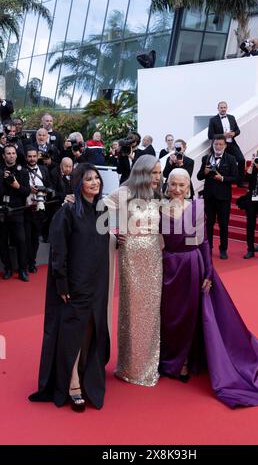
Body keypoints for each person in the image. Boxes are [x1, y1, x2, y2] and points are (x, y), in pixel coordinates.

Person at [159, 168, 258, 408]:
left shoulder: (196, 208)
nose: (177, 190)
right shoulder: (158, 209)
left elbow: (202, 242)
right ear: (167, 185)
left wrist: (209, 271)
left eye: (182, 185)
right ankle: (171, 358)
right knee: (171, 315)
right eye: (173, 184)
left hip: (192, 266)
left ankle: (185, 361)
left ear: (189, 186)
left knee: (192, 314)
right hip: (169, 268)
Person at [29, 164, 110, 411]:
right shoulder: (66, 212)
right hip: (75, 283)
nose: (95, 182)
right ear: (78, 183)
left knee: (89, 329)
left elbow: (101, 242)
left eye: (97, 178)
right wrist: (62, 283)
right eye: (88, 179)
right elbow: (59, 252)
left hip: (97, 282)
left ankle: (86, 373)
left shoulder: (101, 208)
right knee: (73, 332)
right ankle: (72, 380)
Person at [105, 155, 163, 386]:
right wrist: (115, 230)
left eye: (159, 173)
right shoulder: (124, 192)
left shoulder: (157, 194)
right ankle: (129, 367)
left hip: (154, 256)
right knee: (132, 309)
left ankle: (149, 365)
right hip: (131, 255)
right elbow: (99, 209)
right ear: (142, 172)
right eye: (154, 173)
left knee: (151, 310)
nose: (158, 177)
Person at [197, 135, 238, 259]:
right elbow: (199, 177)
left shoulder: (231, 159)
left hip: (224, 198)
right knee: (208, 224)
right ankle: (208, 247)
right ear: (212, 145)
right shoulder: (206, 158)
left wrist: (223, 178)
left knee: (223, 224)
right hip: (209, 196)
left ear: (225, 145)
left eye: (221, 144)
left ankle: (223, 249)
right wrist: (204, 172)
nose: (218, 146)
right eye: (216, 144)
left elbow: (236, 178)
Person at [0, 145, 30, 281]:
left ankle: (23, 270)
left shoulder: (23, 171)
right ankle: (8, 269)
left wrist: (17, 185)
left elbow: (26, 192)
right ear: (3, 156)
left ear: (16, 156)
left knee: (21, 241)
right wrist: (2, 179)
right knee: (2, 242)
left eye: (13, 153)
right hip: (2, 212)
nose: (11, 155)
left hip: (17, 211)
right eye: (8, 153)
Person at [24, 147, 52, 273]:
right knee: (26, 238)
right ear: (26, 157)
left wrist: (45, 191)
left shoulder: (44, 169)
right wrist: (29, 189)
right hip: (26, 209)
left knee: (35, 238)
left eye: (34, 156)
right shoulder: (22, 170)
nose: (32, 159)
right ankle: (25, 263)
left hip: (40, 208)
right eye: (29, 156)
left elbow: (50, 186)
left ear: (37, 157)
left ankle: (32, 263)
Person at [208, 101, 245, 185]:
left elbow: (238, 130)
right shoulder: (213, 120)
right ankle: (220, 182)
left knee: (241, 160)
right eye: (221, 108)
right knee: (220, 164)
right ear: (218, 109)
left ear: (227, 108)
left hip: (231, 144)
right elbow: (210, 135)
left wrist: (234, 134)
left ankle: (240, 181)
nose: (223, 109)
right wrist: (223, 135)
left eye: (224, 107)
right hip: (220, 146)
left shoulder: (232, 117)